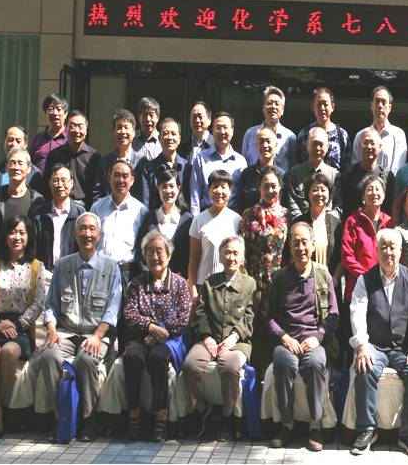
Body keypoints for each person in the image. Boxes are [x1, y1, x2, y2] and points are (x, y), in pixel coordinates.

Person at [39, 212, 123, 442]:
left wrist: (97, 335)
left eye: (91, 229)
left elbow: (113, 308)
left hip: (97, 334)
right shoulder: (63, 265)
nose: (87, 234)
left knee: (86, 360)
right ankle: (61, 417)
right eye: (82, 229)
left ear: (99, 235)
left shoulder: (111, 267)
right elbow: (51, 304)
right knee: (48, 357)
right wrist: (52, 330)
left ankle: (89, 419)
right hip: (66, 332)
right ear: (75, 235)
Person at [349, 229, 408, 456]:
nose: (388, 252)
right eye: (383, 247)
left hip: (403, 347)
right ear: (376, 250)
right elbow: (357, 312)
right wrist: (362, 345)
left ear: (400, 251)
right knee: (365, 367)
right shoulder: (365, 280)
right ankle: (367, 430)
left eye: (392, 247)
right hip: (375, 345)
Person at [0, 215, 49, 439]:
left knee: (9, 352)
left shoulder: (37, 266)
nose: (17, 237)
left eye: (22, 232)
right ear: (5, 236)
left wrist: (17, 324)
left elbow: (39, 303)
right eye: (13, 232)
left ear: (29, 237)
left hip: (21, 327)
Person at [267, 223, 340, 452]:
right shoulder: (280, 277)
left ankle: (315, 426)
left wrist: (318, 337)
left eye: (304, 242)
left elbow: (334, 316)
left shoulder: (323, 275)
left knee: (316, 363)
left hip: (314, 341)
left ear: (313, 245)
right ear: (290, 247)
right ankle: (286, 424)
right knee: (283, 362)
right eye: (295, 243)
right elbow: (268, 317)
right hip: (287, 341)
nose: (300, 248)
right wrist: (284, 337)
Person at [122, 231, 193, 442]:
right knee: (132, 357)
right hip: (142, 337)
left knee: (157, 358)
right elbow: (129, 315)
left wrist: (157, 334)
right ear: (144, 256)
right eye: (150, 252)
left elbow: (183, 318)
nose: (155, 257)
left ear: (169, 255)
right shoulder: (136, 284)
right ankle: (133, 414)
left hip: (171, 340)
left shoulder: (179, 283)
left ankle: (161, 416)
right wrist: (150, 327)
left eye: (159, 251)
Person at [185, 236, 256, 442]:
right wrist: (207, 336)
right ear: (221, 257)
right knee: (190, 364)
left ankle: (227, 416)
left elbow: (249, 317)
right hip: (210, 339)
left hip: (237, 342)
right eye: (227, 253)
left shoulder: (249, 284)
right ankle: (200, 409)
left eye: (235, 253)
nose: (231, 257)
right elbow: (201, 312)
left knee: (230, 367)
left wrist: (234, 338)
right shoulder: (210, 282)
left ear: (242, 258)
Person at [238, 166, 289, 373]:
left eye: (274, 186)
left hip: (279, 281)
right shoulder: (249, 214)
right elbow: (241, 250)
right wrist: (245, 281)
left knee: (277, 326)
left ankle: (275, 377)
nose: (270, 190)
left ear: (281, 186)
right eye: (265, 186)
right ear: (259, 188)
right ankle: (255, 377)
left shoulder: (286, 216)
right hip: (255, 280)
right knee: (255, 327)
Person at [340, 176, 394, 351]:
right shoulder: (353, 221)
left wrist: (381, 278)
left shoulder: (390, 222)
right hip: (357, 288)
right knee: (356, 339)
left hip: (383, 289)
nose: (374, 193)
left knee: (378, 339)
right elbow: (347, 257)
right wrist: (368, 277)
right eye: (369, 189)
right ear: (363, 195)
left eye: (378, 189)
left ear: (384, 196)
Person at [0, 148, 45, 267]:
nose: (16, 167)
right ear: (6, 167)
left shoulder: (37, 201)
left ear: (29, 169)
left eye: (20, 163)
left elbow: (39, 238)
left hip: (27, 266)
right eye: (12, 162)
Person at [90, 159, 148, 285]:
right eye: (116, 175)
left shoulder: (141, 211)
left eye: (125, 176)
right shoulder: (97, 208)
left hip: (128, 273)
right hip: (100, 271)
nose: (120, 180)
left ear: (132, 180)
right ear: (109, 179)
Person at [188, 170, 242, 302]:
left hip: (230, 286)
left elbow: (240, 259)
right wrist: (193, 288)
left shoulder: (237, 220)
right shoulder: (199, 220)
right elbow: (193, 259)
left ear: (230, 191)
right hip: (204, 286)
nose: (219, 191)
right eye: (215, 186)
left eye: (223, 187)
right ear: (209, 190)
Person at [132, 169, 192, 278]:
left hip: (180, 281)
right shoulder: (149, 218)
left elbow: (191, 255)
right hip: (151, 281)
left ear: (178, 189)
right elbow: (141, 252)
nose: (168, 191)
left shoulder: (187, 220)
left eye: (171, 186)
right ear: (158, 189)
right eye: (164, 186)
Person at [189, 112, 248, 216]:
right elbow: (195, 193)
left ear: (232, 131)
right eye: (218, 128)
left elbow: (243, 196)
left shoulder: (241, 162)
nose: (222, 131)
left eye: (225, 128)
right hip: (206, 216)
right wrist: (196, 220)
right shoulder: (201, 158)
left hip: (232, 218)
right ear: (212, 131)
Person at [30, 165, 85, 271]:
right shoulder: (39, 215)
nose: (60, 184)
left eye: (64, 180)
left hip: (71, 273)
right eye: (55, 180)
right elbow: (33, 248)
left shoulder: (80, 215)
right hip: (44, 273)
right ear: (49, 184)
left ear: (71, 183)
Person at [43, 110, 101, 209]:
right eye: (72, 126)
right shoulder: (54, 155)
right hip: (59, 206)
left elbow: (97, 189)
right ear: (66, 128)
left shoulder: (94, 157)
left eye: (80, 127)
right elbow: (46, 184)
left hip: (85, 208)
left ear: (86, 130)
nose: (76, 131)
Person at [133, 117, 190, 210]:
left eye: (173, 134)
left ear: (179, 139)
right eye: (166, 133)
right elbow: (145, 205)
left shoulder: (187, 168)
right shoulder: (148, 169)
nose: (170, 137)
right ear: (159, 138)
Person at [285, 126, 339, 220]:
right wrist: (302, 222)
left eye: (321, 144)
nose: (317, 148)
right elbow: (292, 202)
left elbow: (338, 205)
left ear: (327, 147)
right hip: (301, 224)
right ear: (307, 145)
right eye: (314, 144)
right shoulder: (295, 172)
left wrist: (328, 222)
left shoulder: (334, 174)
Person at [0, 125, 46, 202]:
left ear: (25, 144)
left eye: (18, 141)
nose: (14, 144)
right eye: (10, 140)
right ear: (4, 143)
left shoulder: (35, 174)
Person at [351, 86, 407, 174]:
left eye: (384, 102)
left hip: (389, 182)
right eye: (377, 102)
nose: (380, 106)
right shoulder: (361, 135)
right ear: (371, 106)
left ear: (389, 107)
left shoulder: (398, 135)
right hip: (364, 182)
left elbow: (398, 168)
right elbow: (355, 167)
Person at [241, 86, 297, 173]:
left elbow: (293, 167)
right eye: (269, 103)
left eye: (277, 104)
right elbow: (244, 163)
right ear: (263, 108)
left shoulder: (290, 137)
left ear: (282, 110)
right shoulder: (250, 134)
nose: (273, 107)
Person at [295, 86, 351, 172]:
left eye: (325, 104)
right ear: (312, 107)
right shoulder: (304, 134)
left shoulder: (342, 135)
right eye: (319, 104)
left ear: (332, 107)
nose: (322, 108)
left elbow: (346, 169)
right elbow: (298, 165)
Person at [338, 127, 391, 218]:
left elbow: (389, 207)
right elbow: (345, 206)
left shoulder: (387, 175)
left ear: (380, 147)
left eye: (372, 143)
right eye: (365, 143)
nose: (369, 147)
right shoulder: (349, 174)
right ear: (359, 147)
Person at [234, 125, 285, 212]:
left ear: (276, 145)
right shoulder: (247, 174)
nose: (265, 145)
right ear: (256, 146)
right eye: (261, 141)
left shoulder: (282, 175)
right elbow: (240, 204)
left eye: (268, 141)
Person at [94, 109, 141, 200]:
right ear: (113, 133)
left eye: (126, 127)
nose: (123, 131)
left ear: (134, 133)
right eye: (119, 127)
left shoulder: (142, 162)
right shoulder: (104, 162)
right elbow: (97, 192)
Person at [28, 93, 68, 173]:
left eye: (58, 109)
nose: (55, 113)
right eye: (50, 109)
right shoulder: (37, 139)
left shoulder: (70, 139)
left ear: (65, 114)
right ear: (45, 113)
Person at [132, 97, 162, 162]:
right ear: (139, 117)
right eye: (145, 115)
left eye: (151, 115)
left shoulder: (163, 140)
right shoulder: (131, 139)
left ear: (157, 117)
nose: (148, 119)